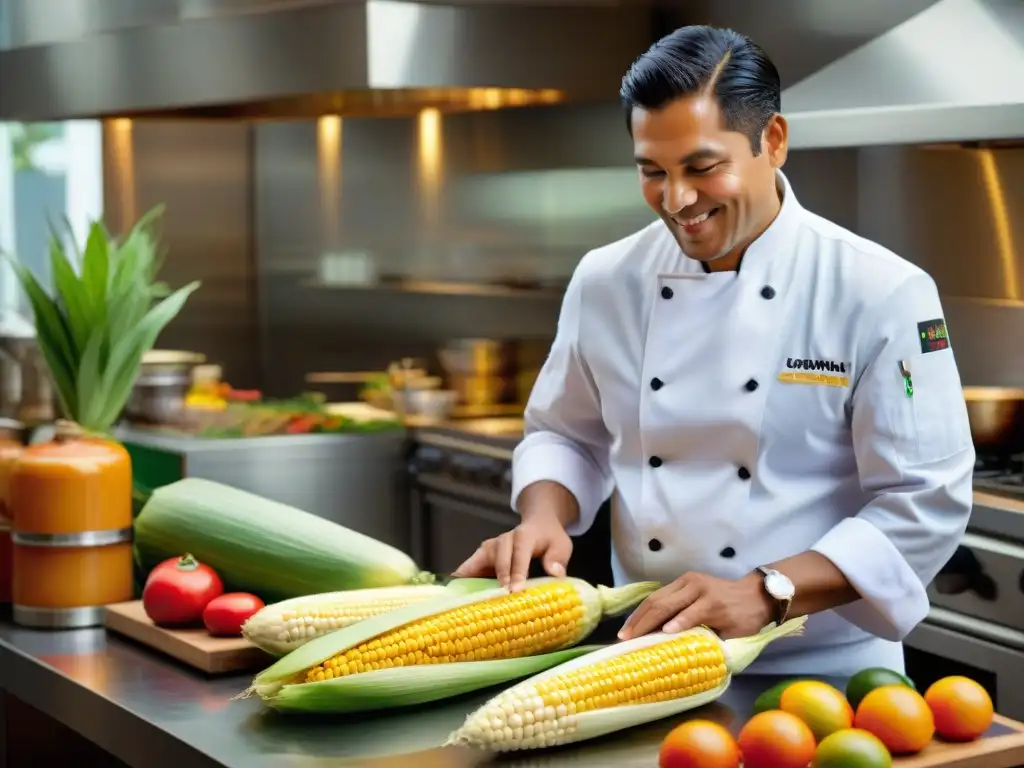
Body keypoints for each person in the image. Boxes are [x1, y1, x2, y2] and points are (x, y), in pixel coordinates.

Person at [453, 24, 974, 675]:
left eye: (703, 168)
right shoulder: (606, 280)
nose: (676, 200)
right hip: (648, 661)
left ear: (773, 141)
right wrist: (542, 516)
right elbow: (566, 434)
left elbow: (924, 500)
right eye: (652, 172)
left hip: (823, 671)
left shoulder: (881, 291)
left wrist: (767, 592)